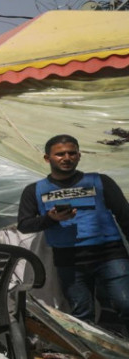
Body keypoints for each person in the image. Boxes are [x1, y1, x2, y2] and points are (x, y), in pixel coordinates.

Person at [17, 135, 129, 332]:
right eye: (60, 154)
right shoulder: (34, 190)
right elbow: (24, 225)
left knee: (125, 304)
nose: (66, 158)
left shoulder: (99, 181)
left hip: (110, 256)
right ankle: (93, 358)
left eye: (71, 153)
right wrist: (51, 219)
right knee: (82, 315)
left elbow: (124, 215)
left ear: (79, 156)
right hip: (69, 261)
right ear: (47, 158)